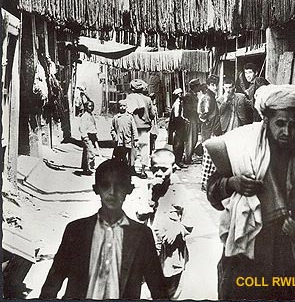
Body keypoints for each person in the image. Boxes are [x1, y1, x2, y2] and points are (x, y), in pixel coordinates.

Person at [205, 84, 295, 300]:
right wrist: (231, 183)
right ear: (266, 122)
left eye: (293, 125)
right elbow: (213, 195)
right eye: (280, 124)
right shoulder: (244, 153)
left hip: (291, 262)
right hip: (247, 259)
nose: (287, 132)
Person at [39, 160, 167, 300]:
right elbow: (53, 282)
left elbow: (158, 288)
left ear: (129, 189)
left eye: (119, 185)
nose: (112, 192)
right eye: (105, 185)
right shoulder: (76, 231)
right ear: (96, 189)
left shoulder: (142, 235)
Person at [137, 149, 193, 299]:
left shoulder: (181, 192)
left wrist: (178, 228)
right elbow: (139, 215)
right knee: (147, 290)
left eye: (164, 169)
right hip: (151, 251)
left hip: (171, 254)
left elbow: (189, 223)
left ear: (174, 169)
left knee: (171, 290)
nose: (159, 173)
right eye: (155, 168)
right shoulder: (148, 188)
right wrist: (151, 195)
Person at [126, 79, 155, 179]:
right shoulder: (148, 99)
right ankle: (143, 171)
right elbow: (152, 115)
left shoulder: (130, 98)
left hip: (133, 128)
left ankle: (131, 168)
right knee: (144, 150)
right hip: (145, 128)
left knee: (132, 149)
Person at [198, 75, 222, 191]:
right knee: (208, 158)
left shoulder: (211, 96)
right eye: (212, 84)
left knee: (211, 159)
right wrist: (209, 125)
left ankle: (207, 182)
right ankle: (204, 183)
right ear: (208, 85)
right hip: (209, 131)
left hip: (212, 130)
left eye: (216, 84)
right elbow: (202, 115)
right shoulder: (208, 97)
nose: (215, 87)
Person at [110, 100, 139, 168]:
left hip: (127, 140)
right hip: (119, 141)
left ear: (126, 107)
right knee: (118, 156)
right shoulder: (116, 117)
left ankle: (128, 169)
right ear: (118, 107)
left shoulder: (130, 117)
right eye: (120, 106)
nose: (122, 107)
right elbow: (112, 129)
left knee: (128, 156)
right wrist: (115, 136)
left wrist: (136, 139)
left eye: (124, 106)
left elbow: (134, 129)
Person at [168, 88, 187, 168]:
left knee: (180, 144)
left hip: (179, 126)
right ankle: (176, 162)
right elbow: (176, 116)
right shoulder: (177, 104)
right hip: (178, 127)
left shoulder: (180, 103)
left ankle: (178, 161)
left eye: (181, 93)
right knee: (178, 144)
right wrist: (183, 121)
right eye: (179, 94)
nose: (181, 95)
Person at [183, 78, 201, 164]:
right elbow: (188, 109)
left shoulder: (194, 95)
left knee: (195, 139)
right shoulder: (188, 96)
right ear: (195, 87)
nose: (199, 87)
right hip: (190, 120)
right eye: (198, 86)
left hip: (195, 120)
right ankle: (187, 158)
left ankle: (189, 157)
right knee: (190, 140)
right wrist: (199, 110)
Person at [79, 100, 99, 175]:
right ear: (86, 107)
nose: (91, 108)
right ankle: (90, 168)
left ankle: (85, 168)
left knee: (86, 152)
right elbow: (82, 127)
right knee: (91, 152)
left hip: (92, 136)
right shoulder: (85, 116)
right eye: (90, 106)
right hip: (87, 136)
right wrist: (85, 136)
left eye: (92, 106)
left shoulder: (91, 115)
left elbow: (93, 126)